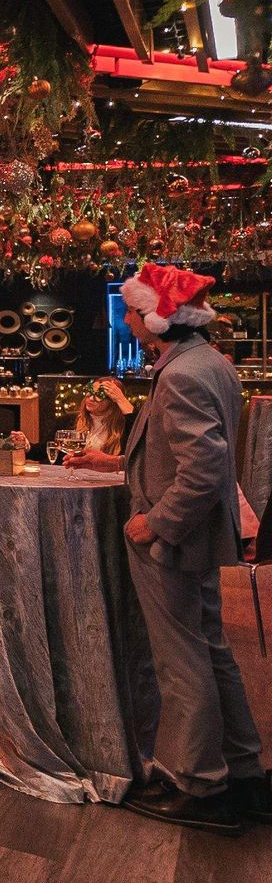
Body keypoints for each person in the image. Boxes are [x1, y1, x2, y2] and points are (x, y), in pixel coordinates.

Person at [91, 264, 268, 835]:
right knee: (211, 650)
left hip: (173, 543)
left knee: (182, 660)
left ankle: (199, 786)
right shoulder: (210, 363)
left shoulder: (182, 376)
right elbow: (184, 454)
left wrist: (156, 524)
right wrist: (117, 463)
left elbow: (203, 467)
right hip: (199, 540)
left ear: (157, 319)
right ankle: (244, 775)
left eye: (133, 311)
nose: (127, 321)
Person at [73, 378, 133, 455]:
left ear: (113, 401)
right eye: (89, 392)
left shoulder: (125, 426)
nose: (91, 399)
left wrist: (121, 399)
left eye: (99, 395)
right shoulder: (69, 420)